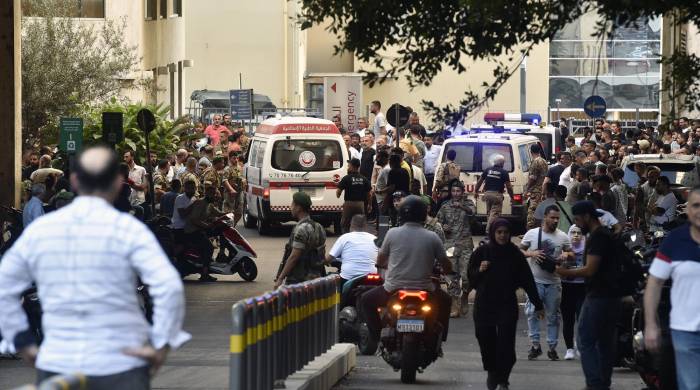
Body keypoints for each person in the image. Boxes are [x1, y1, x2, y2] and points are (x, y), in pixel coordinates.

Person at [0, 146, 189, 389]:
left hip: (60, 361)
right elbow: (169, 287)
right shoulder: (130, 231)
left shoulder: (42, 231)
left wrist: (22, 342)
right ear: (115, 183)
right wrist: (161, 344)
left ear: (75, 181)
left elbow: (5, 284)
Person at [360, 195, 454, 344]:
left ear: (402, 213)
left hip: (393, 288)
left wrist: (385, 265)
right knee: (446, 300)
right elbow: (446, 264)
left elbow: (380, 260)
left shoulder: (392, 233)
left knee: (366, 300)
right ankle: (441, 338)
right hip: (425, 288)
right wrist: (448, 270)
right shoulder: (432, 237)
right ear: (424, 214)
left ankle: (376, 335)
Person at [468, 218, 544, 390]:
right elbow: (471, 279)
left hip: (506, 304)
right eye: (499, 232)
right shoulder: (482, 252)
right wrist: (479, 270)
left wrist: (538, 304)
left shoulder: (515, 254)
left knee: (505, 344)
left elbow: (527, 280)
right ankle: (492, 371)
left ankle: (503, 378)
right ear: (493, 233)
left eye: (505, 232)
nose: (502, 236)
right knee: (485, 339)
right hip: (485, 303)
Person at [555, 201, 622, 390]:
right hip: (611, 297)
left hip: (599, 296)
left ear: (586, 216)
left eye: (577, 219)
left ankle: (594, 384)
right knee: (605, 343)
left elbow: (590, 269)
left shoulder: (598, 237)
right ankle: (603, 383)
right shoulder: (606, 235)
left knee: (585, 340)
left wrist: (565, 272)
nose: (576, 224)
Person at [644, 187, 700, 390]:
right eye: (696, 205)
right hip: (685, 332)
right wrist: (651, 324)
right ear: (687, 210)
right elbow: (655, 282)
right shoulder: (675, 240)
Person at [520, 205, 573, 361]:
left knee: (553, 317)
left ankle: (552, 347)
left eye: (558, 218)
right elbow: (519, 250)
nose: (555, 221)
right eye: (553, 217)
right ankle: (535, 345)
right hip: (535, 281)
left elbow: (572, 254)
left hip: (554, 283)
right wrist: (531, 253)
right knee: (531, 313)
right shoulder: (532, 234)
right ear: (545, 217)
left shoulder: (563, 236)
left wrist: (566, 255)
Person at [436, 179, 476, 317]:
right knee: (452, 276)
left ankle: (465, 295)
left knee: (467, 276)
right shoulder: (445, 206)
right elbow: (438, 222)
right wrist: (443, 227)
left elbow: (472, 214)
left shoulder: (468, 203)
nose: (455, 194)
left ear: (463, 192)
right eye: (453, 191)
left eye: (458, 191)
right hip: (450, 244)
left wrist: (462, 207)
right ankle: (455, 305)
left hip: (465, 244)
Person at [274, 192, 327, 288]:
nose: (291, 207)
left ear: (299, 208)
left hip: (300, 281)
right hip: (317, 278)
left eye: (292, 204)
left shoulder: (301, 229)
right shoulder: (319, 227)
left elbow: (294, 257)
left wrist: (280, 278)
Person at [183, 184, 223, 282]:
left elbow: (219, 213)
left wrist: (230, 213)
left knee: (220, 231)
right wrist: (206, 225)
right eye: (213, 194)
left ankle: (221, 256)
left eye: (215, 194)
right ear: (207, 194)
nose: (215, 196)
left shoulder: (209, 204)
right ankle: (204, 273)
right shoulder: (200, 203)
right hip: (192, 231)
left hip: (200, 229)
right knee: (209, 247)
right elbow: (193, 219)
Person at [325, 215, 378, 286]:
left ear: (351, 225)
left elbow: (329, 258)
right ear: (365, 226)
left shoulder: (344, 237)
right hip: (371, 276)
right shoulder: (374, 238)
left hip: (348, 277)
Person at [561, 225, 586, 361]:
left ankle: (580, 345)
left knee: (582, 319)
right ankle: (569, 348)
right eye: (573, 233)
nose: (576, 235)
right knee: (568, 319)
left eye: (579, 233)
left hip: (582, 287)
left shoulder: (588, 248)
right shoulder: (564, 248)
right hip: (566, 287)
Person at [474, 154, 515, 232]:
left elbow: (479, 182)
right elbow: (509, 187)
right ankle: (489, 232)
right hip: (496, 196)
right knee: (495, 214)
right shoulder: (504, 172)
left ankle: (491, 230)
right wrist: (512, 197)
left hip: (487, 195)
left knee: (489, 214)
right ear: (502, 163)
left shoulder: (487, 170)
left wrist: (476, 191)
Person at [337, 158, 372, 234]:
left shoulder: (346, 178)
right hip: (360, 204)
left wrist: (338, 195)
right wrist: (370, 204)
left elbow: (338, 192)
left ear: (352, 166)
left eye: (349, 166)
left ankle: (346, 237)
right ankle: (359, 237)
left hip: (349, 204)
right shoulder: (364, 179)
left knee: (345, 224)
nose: (348, 167)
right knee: (360, 223)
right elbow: (369, 194)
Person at [526, 144, 549, 230]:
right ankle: (539, 230)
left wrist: (527, 189)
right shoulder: (544, 161)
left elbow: (532, 178)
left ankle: (530, 231)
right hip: (542, 190)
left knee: (531, 211)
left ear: (531, 152)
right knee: (540, 212)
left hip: (536, 190)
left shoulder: (535, 162)